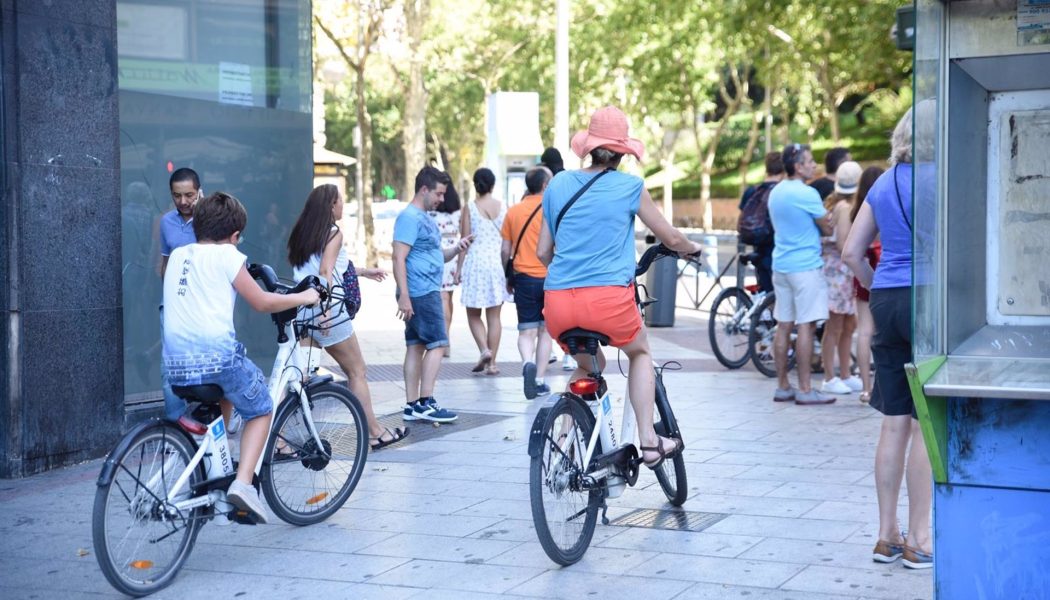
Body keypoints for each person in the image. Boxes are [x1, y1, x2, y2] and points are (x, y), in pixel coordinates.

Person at [537, 105, 702, 469]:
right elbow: (669, 236)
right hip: (609, 301)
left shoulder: (558, 184)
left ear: (589, 147)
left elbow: (543, 251)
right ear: (624, 152)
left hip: (559, 303)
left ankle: (563, 444)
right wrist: (691, 249)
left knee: (588, 364)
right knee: (640, 353)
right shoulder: (630, 187)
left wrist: (570, 277)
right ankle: (648, 440)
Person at [163, 192, 320, 523]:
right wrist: (304, 296)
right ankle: (245, 484)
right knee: (262, 406)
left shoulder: (178, 254)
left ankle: (220, 455)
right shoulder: (228, 257)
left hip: (175, 363)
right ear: (234, 237)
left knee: (231, 391)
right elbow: (261, 302)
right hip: (216, 357)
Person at [843, 106, 933, 569]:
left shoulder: (884, 182)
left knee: (894, 417)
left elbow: (851, 252)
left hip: (888, 297)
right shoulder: (948, 178)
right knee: (925, 420)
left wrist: (878, 284)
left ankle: (886, 535)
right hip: (933, 301)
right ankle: (919, 538)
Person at [288, 184, 408, 451]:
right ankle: (375, 433)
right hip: (326, 311)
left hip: (301, 309)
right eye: (341, 200)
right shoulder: (333, 232)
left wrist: (363, 272)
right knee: (357, 371)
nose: (343, 205)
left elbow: (327, 266)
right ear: (331, 205)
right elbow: (325, 270)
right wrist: (327, 310)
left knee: (302, 378)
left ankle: (280, 441)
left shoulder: (303, 233)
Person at [393, 166, 473, 423]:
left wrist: (456, 248)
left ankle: (412, 405)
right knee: (438, 344)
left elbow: (436, 254)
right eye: (438, 193)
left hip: (424, 289)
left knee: (416, 346)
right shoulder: (409, 218)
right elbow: (398, 257)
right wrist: (404, 295)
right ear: (424, 189)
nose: (441, 199)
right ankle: (426, 402)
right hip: (422, 292)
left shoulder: (425, 218)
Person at [768, 143, 835, 405]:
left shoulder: (776, 192)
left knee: (783, 325)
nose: (814, 165)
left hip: (781, 265)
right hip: (805, 266)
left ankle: (783, 385)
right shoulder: (807, 193)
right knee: (806, 324)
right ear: (798, 166)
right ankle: (806, 389)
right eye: (809, 161)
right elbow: (827, 228)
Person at [501, 166, 553, 399]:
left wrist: (507, 274)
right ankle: (540, 380)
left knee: (526, 331)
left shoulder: (513, 211)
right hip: (549, 277)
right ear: (544, 185)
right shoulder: (552, 209)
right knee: (546, 331)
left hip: (523, 277)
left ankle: (526, 364)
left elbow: (505, 250)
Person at [457, 168, 511, 375]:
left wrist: (458, 269)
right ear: (493, 184)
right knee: (495, 317)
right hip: (496, 263)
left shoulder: (469, 207)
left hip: (476, 263)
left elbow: (465, 241)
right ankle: (493, 364)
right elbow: (507, 241)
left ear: (475, 184)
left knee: (473, 313)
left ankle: (484, 349)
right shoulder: (503, 207)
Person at [819, 160, 864, 395]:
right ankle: (830, 376)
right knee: (836, 325)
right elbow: (842, 242)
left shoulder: (838, 203)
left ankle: (844, 373)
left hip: (840, 272)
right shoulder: (845, 207)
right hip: (838, 272)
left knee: (847, 324)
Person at [849, 166, 886, 404]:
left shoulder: (856, 211)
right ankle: (883, 387)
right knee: (884, 333)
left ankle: (865, 387)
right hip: (884, 269)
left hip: (862, 270)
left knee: (864, 330)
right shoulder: (883, 203)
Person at [539, 147, 576, 372]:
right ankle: (571, 357)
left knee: (546, 319)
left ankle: (551, 352)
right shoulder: (571, 184)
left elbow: (542, 251)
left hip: (552, 267)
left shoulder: (549, 188)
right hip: (575, 265)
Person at [737, 151, 784, 293]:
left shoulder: (752, 191)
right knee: (779, 298)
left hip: (757, 249)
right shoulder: (782, 191)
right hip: (777, 251)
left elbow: (742, 218)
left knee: (765, 294)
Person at [428, 173, 462, 358]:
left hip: (440, 255)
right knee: (449, 299)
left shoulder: (430, 213)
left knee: (442, 300)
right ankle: (447, 339)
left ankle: (444, 339)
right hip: (454, 256)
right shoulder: (457, 212)